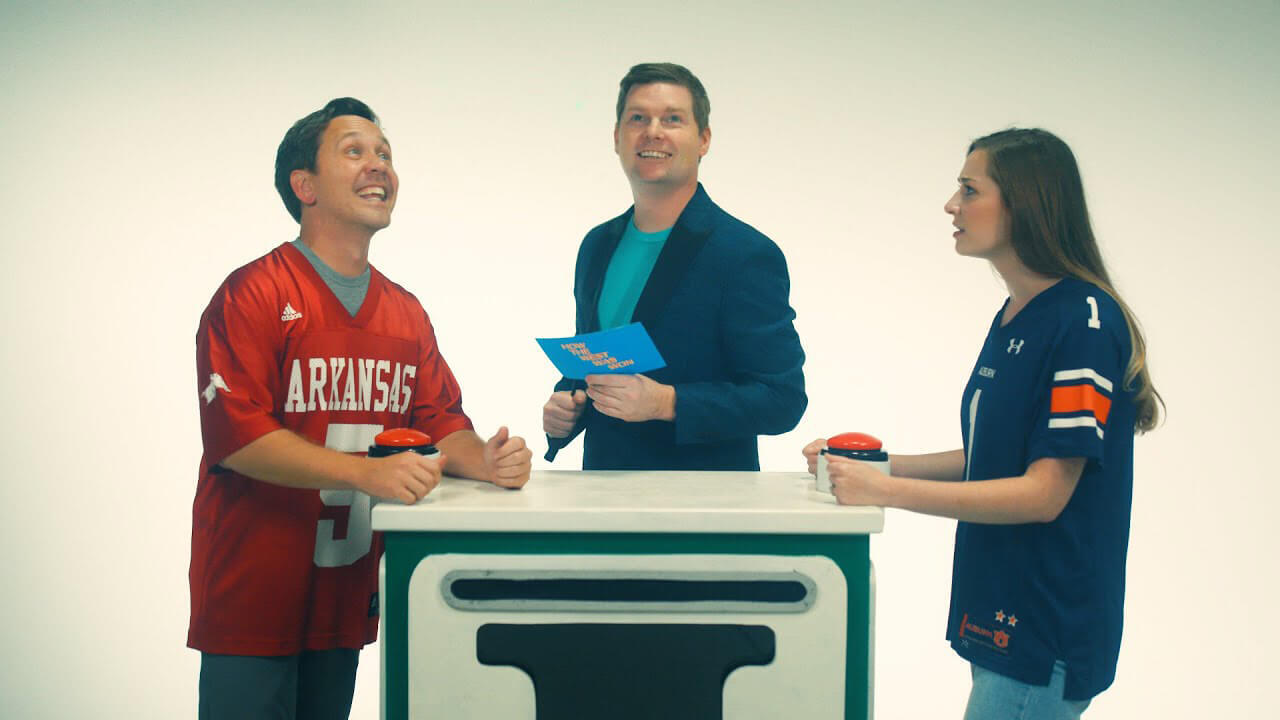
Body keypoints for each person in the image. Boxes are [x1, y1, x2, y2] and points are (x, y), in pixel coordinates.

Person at [189, 97, 532, 719]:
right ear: (305, 186)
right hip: (255, 589)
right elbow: (238, 437)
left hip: (342, 591)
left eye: (385, 154)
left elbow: (439, 425)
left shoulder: (404, 311)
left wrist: (484, 460)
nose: (379, 165)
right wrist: (365, 474)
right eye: (355, 151)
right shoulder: (253, 293)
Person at [804, 128, 1162, 718]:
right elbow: (991, 456)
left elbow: (1044, 493)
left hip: (1045, 627)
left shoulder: (1084, 323)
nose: (952, 206)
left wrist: (886, 492)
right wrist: (872, 465)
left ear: (1026, 202)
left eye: (969, 190)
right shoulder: (1017, 313)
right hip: (1001, 608)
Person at [542, 62, 807, 470]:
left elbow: (782, 399)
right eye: (637, 118)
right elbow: (597, 363)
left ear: (703, 139)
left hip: (704, 512)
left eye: (672, 119)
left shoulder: (743, 254)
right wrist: (569, 405)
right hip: (600, 500)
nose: (653, 131)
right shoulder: (597, 245)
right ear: (617, 138)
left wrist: (668, 402)